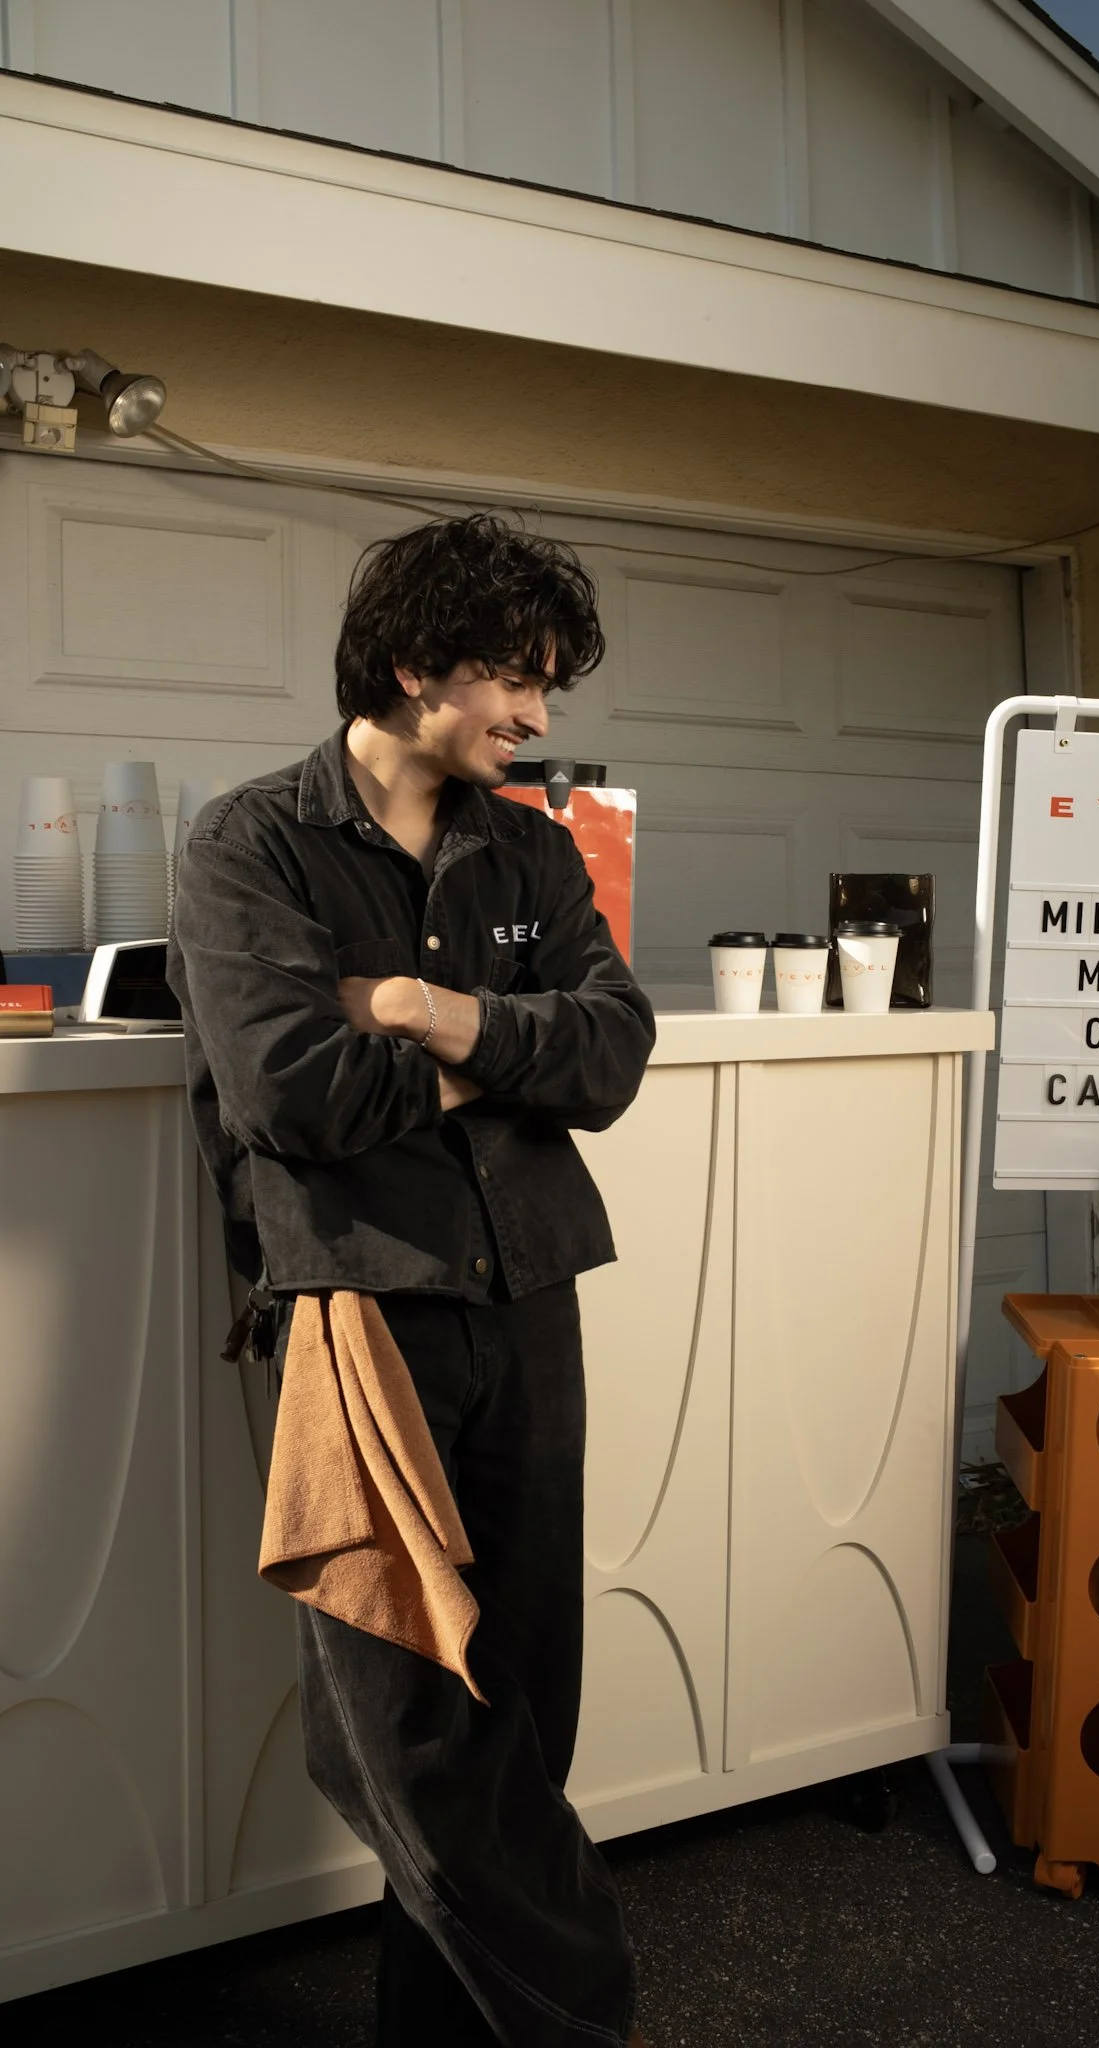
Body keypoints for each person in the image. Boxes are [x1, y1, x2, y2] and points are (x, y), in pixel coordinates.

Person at [169, 513, 656, 2047]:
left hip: (532, 1303)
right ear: (409, 667)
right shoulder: (251, 844)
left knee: (523, 1714)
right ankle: (590, 2021)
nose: (537, 717)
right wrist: (497, 1052)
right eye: (512, 679)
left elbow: (613, 1051)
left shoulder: (531, 846)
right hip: (358, 1317)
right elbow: (292, 1095)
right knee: (411, 1730)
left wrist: (437, 1019)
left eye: (547, 685)